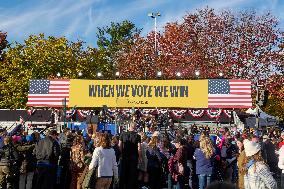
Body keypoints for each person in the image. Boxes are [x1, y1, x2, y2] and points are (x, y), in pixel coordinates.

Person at [119, 122, 142, 189]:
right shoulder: (138, 136)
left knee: (123, 173)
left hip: (124, 156)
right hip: (134, 157)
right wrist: (140, 157)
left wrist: (120, 154)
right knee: (132, 174)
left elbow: (120, 146)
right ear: (135, 128)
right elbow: (139, 148)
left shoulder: (122, 134)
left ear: (129, 127)